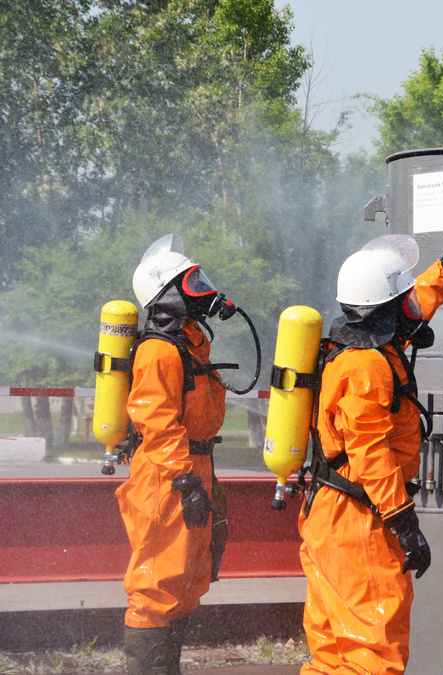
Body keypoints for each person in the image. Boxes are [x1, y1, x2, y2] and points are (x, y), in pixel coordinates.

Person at [299, 223, 443, 674]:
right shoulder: (368, 366)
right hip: (360, 520)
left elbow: (417, 303)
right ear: (383, 308)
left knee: (333, 653)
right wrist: (405, 525)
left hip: (331, 515)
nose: (408, 308)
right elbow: (370, 456)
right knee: (375, 653)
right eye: (399, 301)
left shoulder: (354, 343)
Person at [117, 234, 248, 674]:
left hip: (192, 472)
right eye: (192, 281)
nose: (204, 288)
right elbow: (155, 422)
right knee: (157, 584)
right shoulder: (159, 350)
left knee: (188, 581)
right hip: (168, 479)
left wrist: (197, 478)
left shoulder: (189, 345)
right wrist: (185, 479)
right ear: (168, 294)